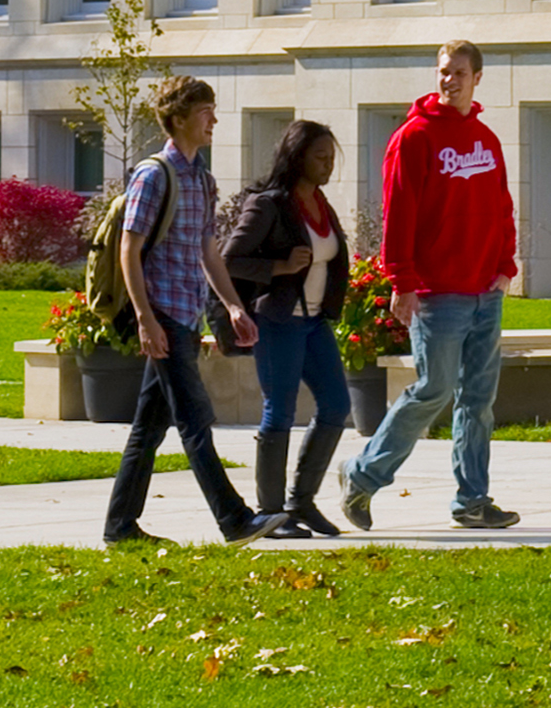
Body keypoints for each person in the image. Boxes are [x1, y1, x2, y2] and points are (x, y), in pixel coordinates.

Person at [336, 38, 517, 533]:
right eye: (443, 71)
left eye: (459, 72)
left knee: (478, 401)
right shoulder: (414, 138)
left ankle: (472, 501)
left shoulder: (486, 139)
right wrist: (402, 281)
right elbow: (399, 213)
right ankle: (362, 473)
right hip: (438, 292)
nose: (448, 80)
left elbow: (502, 208)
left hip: (486, 291)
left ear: (477, 78)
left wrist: (505, 267)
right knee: (432, 390)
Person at [101, 76, 263, 548]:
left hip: (187, 316)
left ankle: (120, 527)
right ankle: (234, 519)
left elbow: (209, 253)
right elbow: (128, 252)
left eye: (213, 110)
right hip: (163, 314)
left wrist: (233, 306)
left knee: (148, 429)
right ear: (178, 119)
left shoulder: (202, 179)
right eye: (205, 111)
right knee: (195, 418)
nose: (214, 120)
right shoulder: (154, 176)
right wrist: (146, 318)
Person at [220, 120, 354, 537]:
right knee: (278, 411)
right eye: (320, 157)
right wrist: (279, 266)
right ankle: (271, 513)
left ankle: (301, 502)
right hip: (278, 321)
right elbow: (228, 260)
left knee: (336, 405)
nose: (328, 164)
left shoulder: (320, 202)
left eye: (332, 157)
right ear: (297, 157)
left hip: (314, 322)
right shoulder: (269, 203)